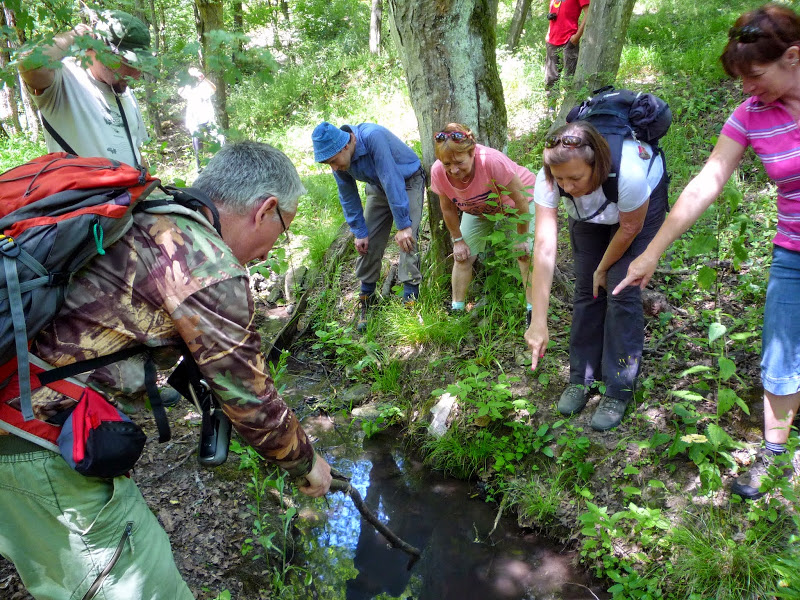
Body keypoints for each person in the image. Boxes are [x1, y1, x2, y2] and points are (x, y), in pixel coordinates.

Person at [0, 142, 333, 599]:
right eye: (283, 230)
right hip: (35, 443)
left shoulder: (152, 214)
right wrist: (305, 461)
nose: (270, 250)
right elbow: (251, 398)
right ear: (265, 210)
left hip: (22, 424)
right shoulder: (207, 263)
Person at [615, 4, 800, 497]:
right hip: (793, 253)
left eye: (755, 75)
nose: (746, 88)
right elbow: (706, 183)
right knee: (779, 357)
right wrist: (651, 251)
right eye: (740, 78)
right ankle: (776, 456)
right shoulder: (750, 115)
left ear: (794, 58)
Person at [526, 120, 668, 431]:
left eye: (575, 177)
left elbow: (629, 228)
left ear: (597, 164)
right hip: (589, 214)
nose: (567, 186)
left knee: (620, 288)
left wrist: (603, 268)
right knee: (585, 289)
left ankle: (619, 388)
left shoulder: (628, 173)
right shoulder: (550, 180)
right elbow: (544, 248)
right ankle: (583, 377)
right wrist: (539, 320)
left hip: (636, 209)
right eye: (560, 179)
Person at [312, 121, 425, 330]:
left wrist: (402, 225)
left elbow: (391, 178)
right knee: (367, 243)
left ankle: (410, 299)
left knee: (408, 240)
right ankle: (367, 298)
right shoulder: (339, 159)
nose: (334, 167)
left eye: (334, 161)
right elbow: (347, 195)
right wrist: (360, 231)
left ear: (346, 145)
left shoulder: (373, 137)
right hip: (378, 186)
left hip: (408, 181)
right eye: (329, 163)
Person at [17, 9, 151, 168]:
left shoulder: (125, 91)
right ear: (100, 48)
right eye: (129, 62)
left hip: (131, 192)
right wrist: (75, 36)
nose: (136, 75)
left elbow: (135, 151)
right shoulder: (64, 80)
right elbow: (28, 63)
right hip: (87, 191)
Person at [429, 123, 535, 319]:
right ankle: (457, 311)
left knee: (524, 254)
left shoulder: (491, 161)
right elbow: (447, 208)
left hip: (518, 202)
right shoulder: (437, 171)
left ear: (472, 152)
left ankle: (533, 312)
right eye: (447, 164)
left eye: (459, 162)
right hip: (477, 208)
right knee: (462, 255)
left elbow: (520, 198)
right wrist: (457, 240)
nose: (453, 170)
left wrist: (521, 237)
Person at [545, 0, 590, 110]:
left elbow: (589, 14)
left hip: (568, 42)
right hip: (552, 41)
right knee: (550, 79)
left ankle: (570, 112)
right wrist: (548, 33)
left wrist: (576, 37)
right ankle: (551, 111)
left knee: (570, 80)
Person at [177, 67, 224, 170]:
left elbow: (214, 89)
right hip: (195, 120)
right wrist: (188, 80)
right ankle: (200, 168)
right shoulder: (188, 87)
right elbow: (180, 92)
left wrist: (204, 78)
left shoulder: (204, 84)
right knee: (198, 144)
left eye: (197, 72)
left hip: (208, 118)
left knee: (220, 138)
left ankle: (223, 162)